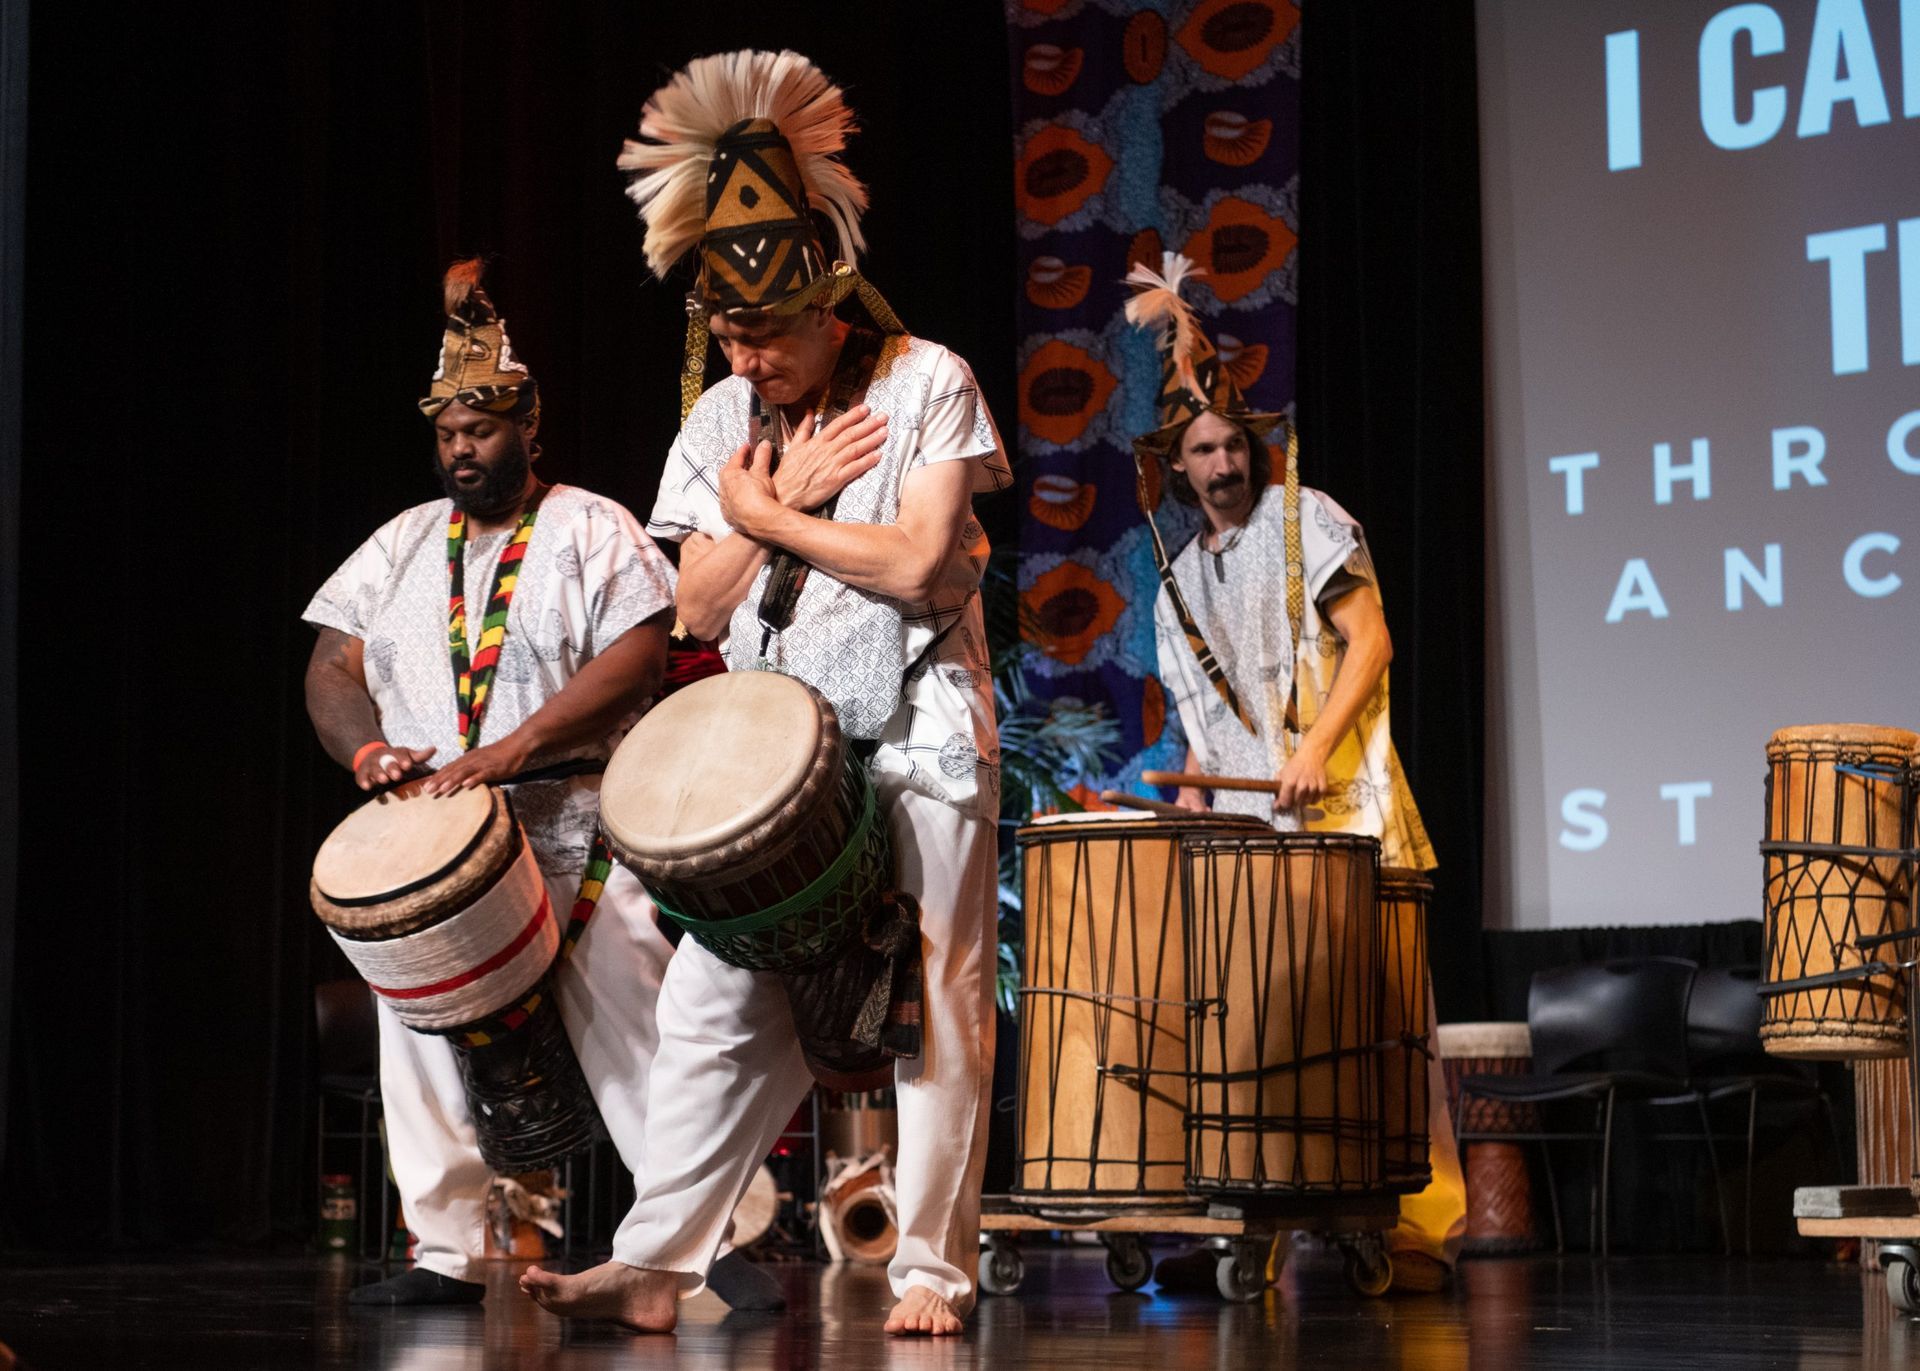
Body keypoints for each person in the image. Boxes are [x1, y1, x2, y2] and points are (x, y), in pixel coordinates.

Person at [520, 50, 1008, 1337]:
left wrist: (760, 525)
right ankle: (655, 1267)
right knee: (712, 1007)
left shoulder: (924, 381)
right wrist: (772, 500)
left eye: (768, 333)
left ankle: (930, 1275)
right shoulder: (719, 423)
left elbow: (916, 568)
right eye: (727, 333)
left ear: (829, 302)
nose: (748, 355)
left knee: (933, 1004)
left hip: (922, 734)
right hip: (778, 766)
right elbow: (694, 605)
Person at [302, 261, 778, 1311]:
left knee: (637, 1027)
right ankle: (451, 1251)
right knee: (418, 1031)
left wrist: (514, 750)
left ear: (527, 426)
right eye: (448, 434)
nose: (462, 449)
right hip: (436, 835)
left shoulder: (589, 526)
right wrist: (365, 753)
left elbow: (639, 656)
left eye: (481, 428)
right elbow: (332, 663)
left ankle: (712, 1240)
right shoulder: (398, 546)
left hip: (574, 824)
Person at [1129, 253, 1466, 1292]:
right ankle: (1257, 1215)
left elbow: (1371, 644)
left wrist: (1314, 751)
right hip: (1246, 843)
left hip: (1347, 813)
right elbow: (1203, 723)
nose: (1223, 464)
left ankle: (1418, 1227)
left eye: (1234, 444)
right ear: (1175, 466)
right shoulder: (1176, 583)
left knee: (1386, 1019)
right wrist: (1188, 800)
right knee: (1261, 1023)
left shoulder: (1308, 520)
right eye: (1204, 450)